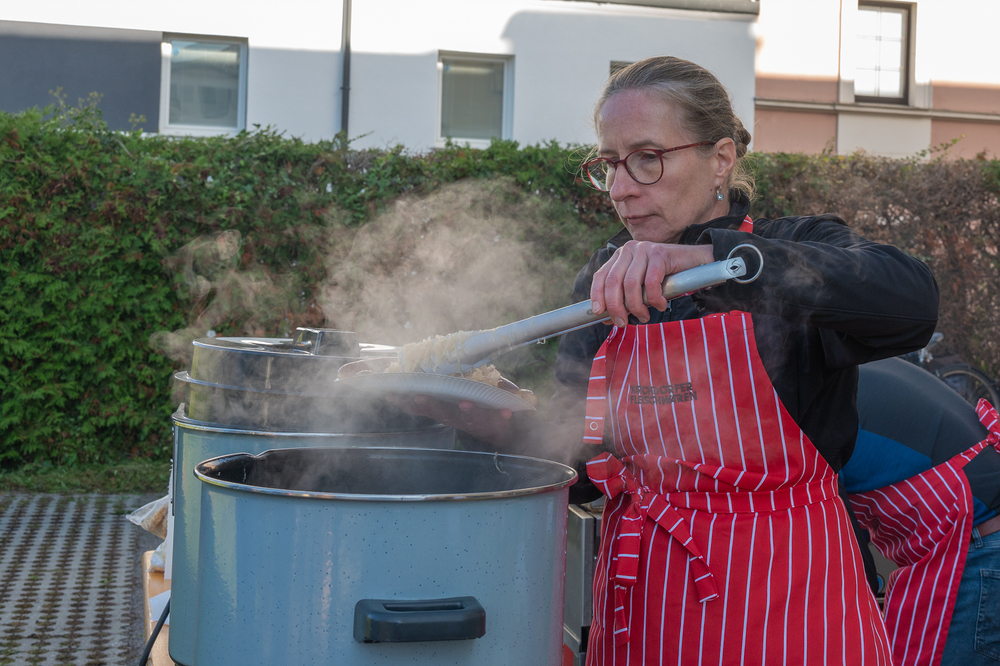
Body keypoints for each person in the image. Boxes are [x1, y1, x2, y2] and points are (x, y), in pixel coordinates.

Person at [393, 55, 939, 665]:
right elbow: (579, 466)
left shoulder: (789, 252)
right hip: (642, 608)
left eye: (648, 158)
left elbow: (911, 301)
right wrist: (481, 416)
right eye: (610, 165)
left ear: (720, 159)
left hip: (784, 610)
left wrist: (713, 260)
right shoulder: (606, 285)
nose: (621, 188)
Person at [843, 357, 1000, 666]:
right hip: (975, 544)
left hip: (976, 552)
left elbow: (843, 546)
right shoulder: (856, 372)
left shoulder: (816, 412)